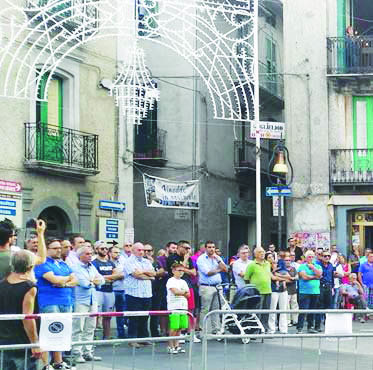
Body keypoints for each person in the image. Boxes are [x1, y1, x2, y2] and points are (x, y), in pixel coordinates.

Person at [35, 238, 77, 370]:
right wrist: (66, 280)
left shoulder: (63, 264)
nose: (59, 250)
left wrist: (63, 283)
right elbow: (53, 279)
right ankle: (45, 364)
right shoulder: (42, 263)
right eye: (55, 248)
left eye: (60, 247)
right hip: (49, 302)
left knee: (61, 333)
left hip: (66, 301)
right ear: (46, 249)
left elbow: (75, 280)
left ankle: (58, 362)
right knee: (49, 333)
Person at [0, 250, 41, 369]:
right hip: (22, 341)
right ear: (30, 266)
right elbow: (27, 318)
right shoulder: (29, 287)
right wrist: (35, 343)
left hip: (4, 339)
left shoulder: (2, 284)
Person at [71, 246, 104, 364]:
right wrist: (94, 281)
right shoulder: (75, 267)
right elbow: (84, 283)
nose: (90, 255)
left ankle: (87, 351)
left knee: (90, 327)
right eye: (87, 254)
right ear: (80, 255)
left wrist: (94, 281)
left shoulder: (92, 267)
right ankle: (76, 352)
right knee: (78, 327)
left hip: (92, 299)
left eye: (91, 253)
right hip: (80, 300)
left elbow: (102, 280)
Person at [123, 242, 155, 347]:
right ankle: (132, 339)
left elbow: (153, 274)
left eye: (143, 250)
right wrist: (148, 275)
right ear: (133, 250)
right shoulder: (128, 261)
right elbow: (137, 275)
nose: (142, 252)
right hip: (133, 293)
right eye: (139, 250)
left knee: (144, 317)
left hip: (146, 294)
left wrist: (144, 272)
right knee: (134, 317)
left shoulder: (147, 261)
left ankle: (143, 338)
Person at [197, 241, 227, 334]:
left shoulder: (217, 258)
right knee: (205, 309)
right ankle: (202, 331)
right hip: (206, 287)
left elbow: (225, 269)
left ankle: (216, 330)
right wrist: (219, 269)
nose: (212, 249)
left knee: (216, 309)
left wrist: (218, 260)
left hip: (218, 286)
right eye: (209, 247)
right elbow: (208, 273)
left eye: (213, 247)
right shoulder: (201, 259)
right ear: (205, 248)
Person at [92, 241, 119, 340]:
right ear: (96, 250)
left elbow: (118, 275)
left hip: (110, 291)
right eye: (102, 248)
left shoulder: (110, 263)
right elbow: (95, 278)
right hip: (98, 291)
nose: (104, 250)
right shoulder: (94, 263)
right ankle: (93, 336)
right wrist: (109, 277)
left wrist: (103, 278)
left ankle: (106, 336)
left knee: (108, 315)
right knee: (96, 315)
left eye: (106, 249)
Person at [244, 246, 272, 332]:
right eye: (260, 252)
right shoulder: (252, 265)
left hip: (268, 290)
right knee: (256, 312)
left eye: (263, 252)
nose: (262, 253)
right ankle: (255, 329)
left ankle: (264, 328)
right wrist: (252, 289)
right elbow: (246, 278)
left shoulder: (268, 263)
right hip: (257, 292)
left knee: (266, 312)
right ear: (255, 254)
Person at [296, 250, 322, 334]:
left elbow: (320, 275)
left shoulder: (317, 266)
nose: (311, 258)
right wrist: (315, 277)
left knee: (312, 310)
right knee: (303, 310)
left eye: (312, 256)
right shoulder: (302, 266)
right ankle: (299, 328)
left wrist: (313, 268)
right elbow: (304, 277)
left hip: (315, 291)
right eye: (309, 257)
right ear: (305, 258)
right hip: (304, 292)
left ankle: (310, 327)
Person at [166, 263, 190, 354]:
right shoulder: (170, 281)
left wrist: (182, 292)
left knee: (180, 327)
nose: (181, 272)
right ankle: (170, 346)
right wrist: (183, 291)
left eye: (182, 271)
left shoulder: (183, 282)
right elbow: (175, 292)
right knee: (174, 326)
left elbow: (188, 294)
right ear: (173, 271)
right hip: (174, 307)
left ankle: (177, 345)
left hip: (183, 306)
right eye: (179, 270)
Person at [109, 246, 127, 339]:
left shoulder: (122, 261)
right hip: (111, 290)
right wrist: (116, 275)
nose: (118, 254)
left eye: (119, 252)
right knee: (107, 314)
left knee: (121, 313)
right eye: (115, 252)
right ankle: (106, 336)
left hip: (122, 289)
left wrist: (114, 276)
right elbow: (108, 277)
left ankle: (121, 334)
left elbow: (124, 274)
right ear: (110, 253)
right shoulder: (107, 263)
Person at [268, 259, 291, 334]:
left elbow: (290, 279)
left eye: (277, 264)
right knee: (272, 310)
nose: (276, 265)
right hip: (273, 290)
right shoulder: (269, 271)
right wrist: (283, 278)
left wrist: (279, 275)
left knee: (283, 310)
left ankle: (283, 329)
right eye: (274, 263)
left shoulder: (283, 271)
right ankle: (271, 328)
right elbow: (273, 278)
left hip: (283, 291)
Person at [315, 250, 335, 332]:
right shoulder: (318, 265)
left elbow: (332, 276)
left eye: (328, 256)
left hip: (329, 287)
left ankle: (328, 325)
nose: (327, 257)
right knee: (319, 306)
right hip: (320, 286)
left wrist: (332, 287)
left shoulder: (330, 265)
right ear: (321, 257)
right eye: (325, 256)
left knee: (329, 306)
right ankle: (317, 326)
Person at [284, 255, 298, 327]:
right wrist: (291, 279)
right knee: (287, 306)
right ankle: (288, 321)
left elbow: (297, 277)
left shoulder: (293, 268)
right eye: (286, 260)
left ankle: (295, 320)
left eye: (289, 260)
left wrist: (292, 278)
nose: (288, 262)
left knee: (294, 305)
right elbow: (284, 279)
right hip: (286, 290)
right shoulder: (282, 269)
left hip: (293, 290)